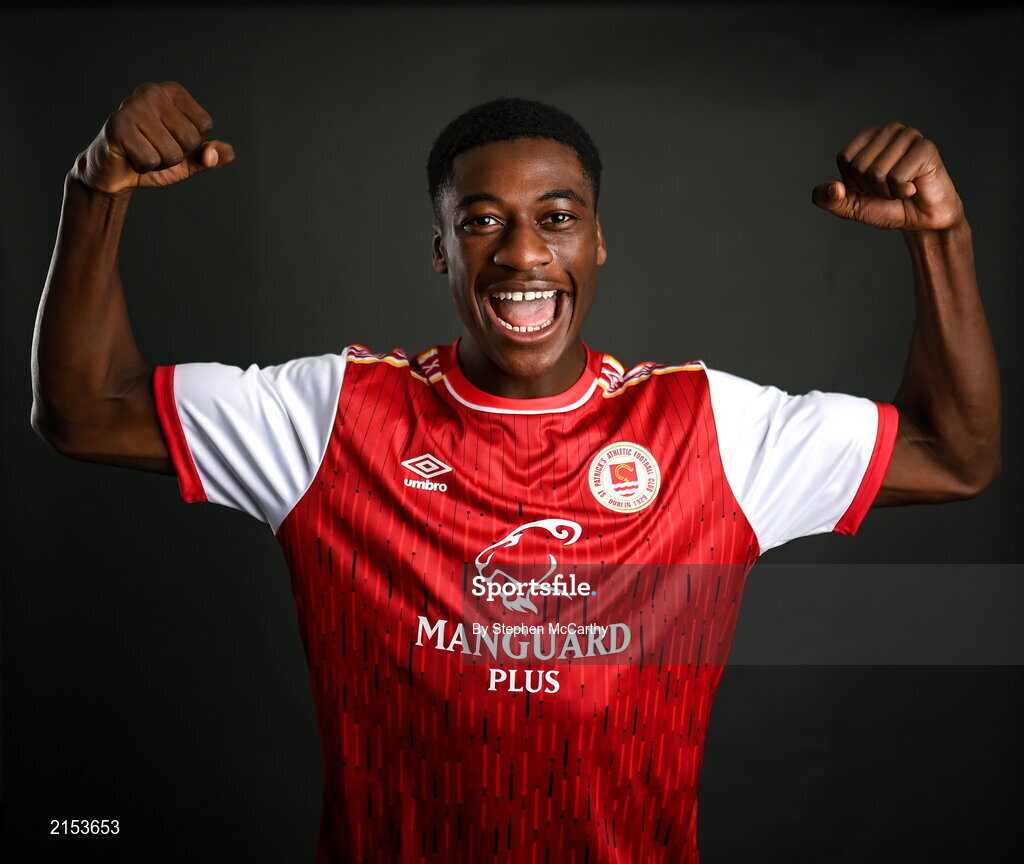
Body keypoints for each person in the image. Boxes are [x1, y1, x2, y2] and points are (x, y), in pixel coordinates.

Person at [31, 81, 1000, 863]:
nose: (524, 253)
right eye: (484, 222)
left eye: (558, 217)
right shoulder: (332, 417)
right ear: (441, 249)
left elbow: (954, 456)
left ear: (598, 241)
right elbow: (83, 411)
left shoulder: (707, 429)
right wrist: (94, 193)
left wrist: (940, 240)